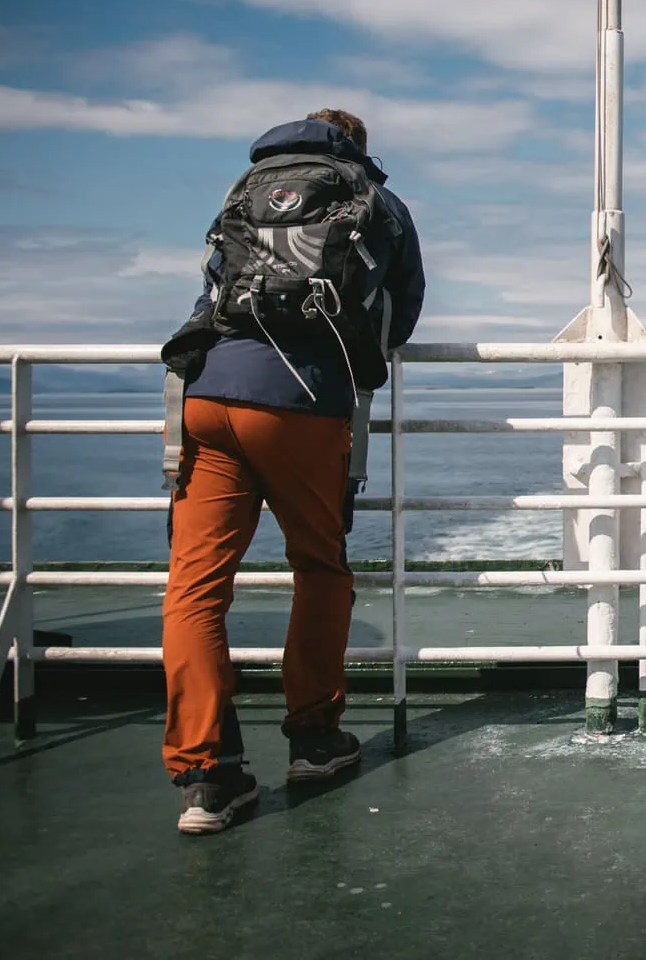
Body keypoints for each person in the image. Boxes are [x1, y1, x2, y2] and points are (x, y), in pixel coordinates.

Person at [157, 109, 424, 834]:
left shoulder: (245, 189)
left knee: (193, 589)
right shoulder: (374, 199)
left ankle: (206, 777)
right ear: (359, 150)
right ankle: (313, 738)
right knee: (320, 565)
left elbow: (212, 290)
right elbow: (402, 312)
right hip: (302, 402)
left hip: (205, 395)